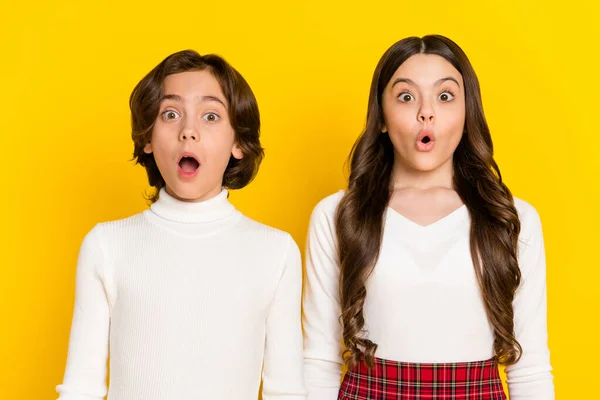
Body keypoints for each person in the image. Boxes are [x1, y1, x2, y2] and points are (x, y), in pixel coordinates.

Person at [302, 35, 554, 400]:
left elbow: (529, 370)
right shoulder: (338, 215)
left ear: (468, 113)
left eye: (445, 96)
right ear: (382, 118)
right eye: (406, 97)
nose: (426, 112)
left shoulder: (512, 219)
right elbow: (318, 362)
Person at [57, 50, 306, 400]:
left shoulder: (276, 251)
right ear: (147, 137)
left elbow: (287, 391)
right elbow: (80, 389)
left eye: (211, 116)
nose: (188, 131)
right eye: (170, 114)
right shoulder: (106, 245)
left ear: (238, 142)